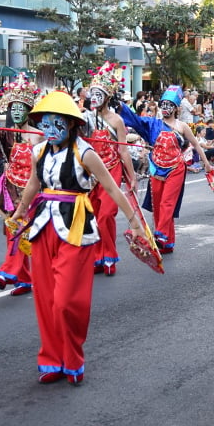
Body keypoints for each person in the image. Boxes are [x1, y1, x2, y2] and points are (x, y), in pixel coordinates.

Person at [10, 91, 146, 385]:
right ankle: (51, 360)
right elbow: (34, 183)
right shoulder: (39, 152)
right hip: (43, 225)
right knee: (45, 300)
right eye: (45, 123)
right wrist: (19, 211)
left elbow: (112, 189)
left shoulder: (86, 153)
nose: (50, 128)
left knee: (65, 301)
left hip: (76, 227)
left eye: (56, 122)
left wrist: (135, 223)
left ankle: (73, 358)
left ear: (71, 124)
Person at [117, 85, 213, 254]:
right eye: (163, 104)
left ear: (176, 108)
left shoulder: (182, 126)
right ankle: (167, 242)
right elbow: (135, 120)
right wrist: (119, 105)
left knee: (167, 202)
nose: (165, 108)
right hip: (156, 168)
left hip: (176, 168)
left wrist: (206, 163)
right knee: (158, 205)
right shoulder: (153, 124)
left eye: (169, 105)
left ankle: (160, 234)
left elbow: (196, 144)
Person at [0, 74, 42, 295]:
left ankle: (7, 271)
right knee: (10, 229)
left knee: (20, 229)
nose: (16, 112)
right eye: (13, 108)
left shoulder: (38, 136)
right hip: (10, 187)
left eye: (21, 108)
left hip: (30, 190)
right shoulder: (9, 135)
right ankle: (24, 278)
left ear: (29, 110)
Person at [84, 62, 136, 276]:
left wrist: (131, 176)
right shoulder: (85, 118)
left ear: (107, 96)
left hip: (112, 170)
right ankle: (97, 257)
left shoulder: (116, 120)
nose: (94, 97)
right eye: (92, 93)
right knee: (92, 217)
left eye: (99, 94)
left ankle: (109, 256)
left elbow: (123, 151)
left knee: (106, 215)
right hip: (90, 174)